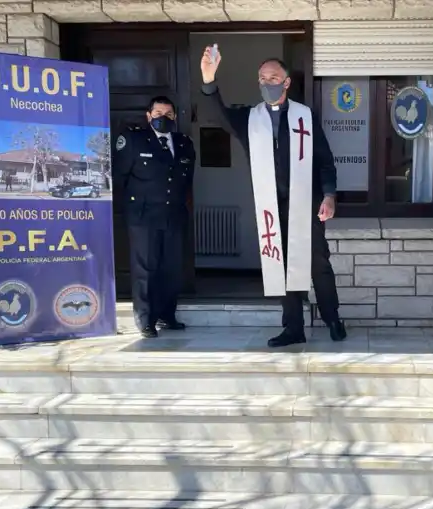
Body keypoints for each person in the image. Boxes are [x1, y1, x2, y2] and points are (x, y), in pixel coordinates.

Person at [199, 45, 346, 348]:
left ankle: (332, 318)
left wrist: (329, 196)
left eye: (274, 77)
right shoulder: (249, 119)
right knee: (278, 265)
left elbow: (325, 161)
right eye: (263, 78)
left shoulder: (305, 116)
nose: (268, 83)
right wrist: (208, 79)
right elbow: (218, 114)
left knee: (318, 263)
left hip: (306, 203)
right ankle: (293, 328)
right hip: (271, 205)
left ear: (287, 82)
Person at [112, 96, 195, 338]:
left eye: (168, 114)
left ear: (175, 117)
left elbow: (186, 181)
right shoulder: (134, 140)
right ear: (149, 116)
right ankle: (145, 319)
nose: (163, 118)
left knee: (172, 268)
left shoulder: (184, 143)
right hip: (143, 216)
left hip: (174, 215)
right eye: (158, 113)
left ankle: (167, 315)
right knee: (146, 269)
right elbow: (120, 178)